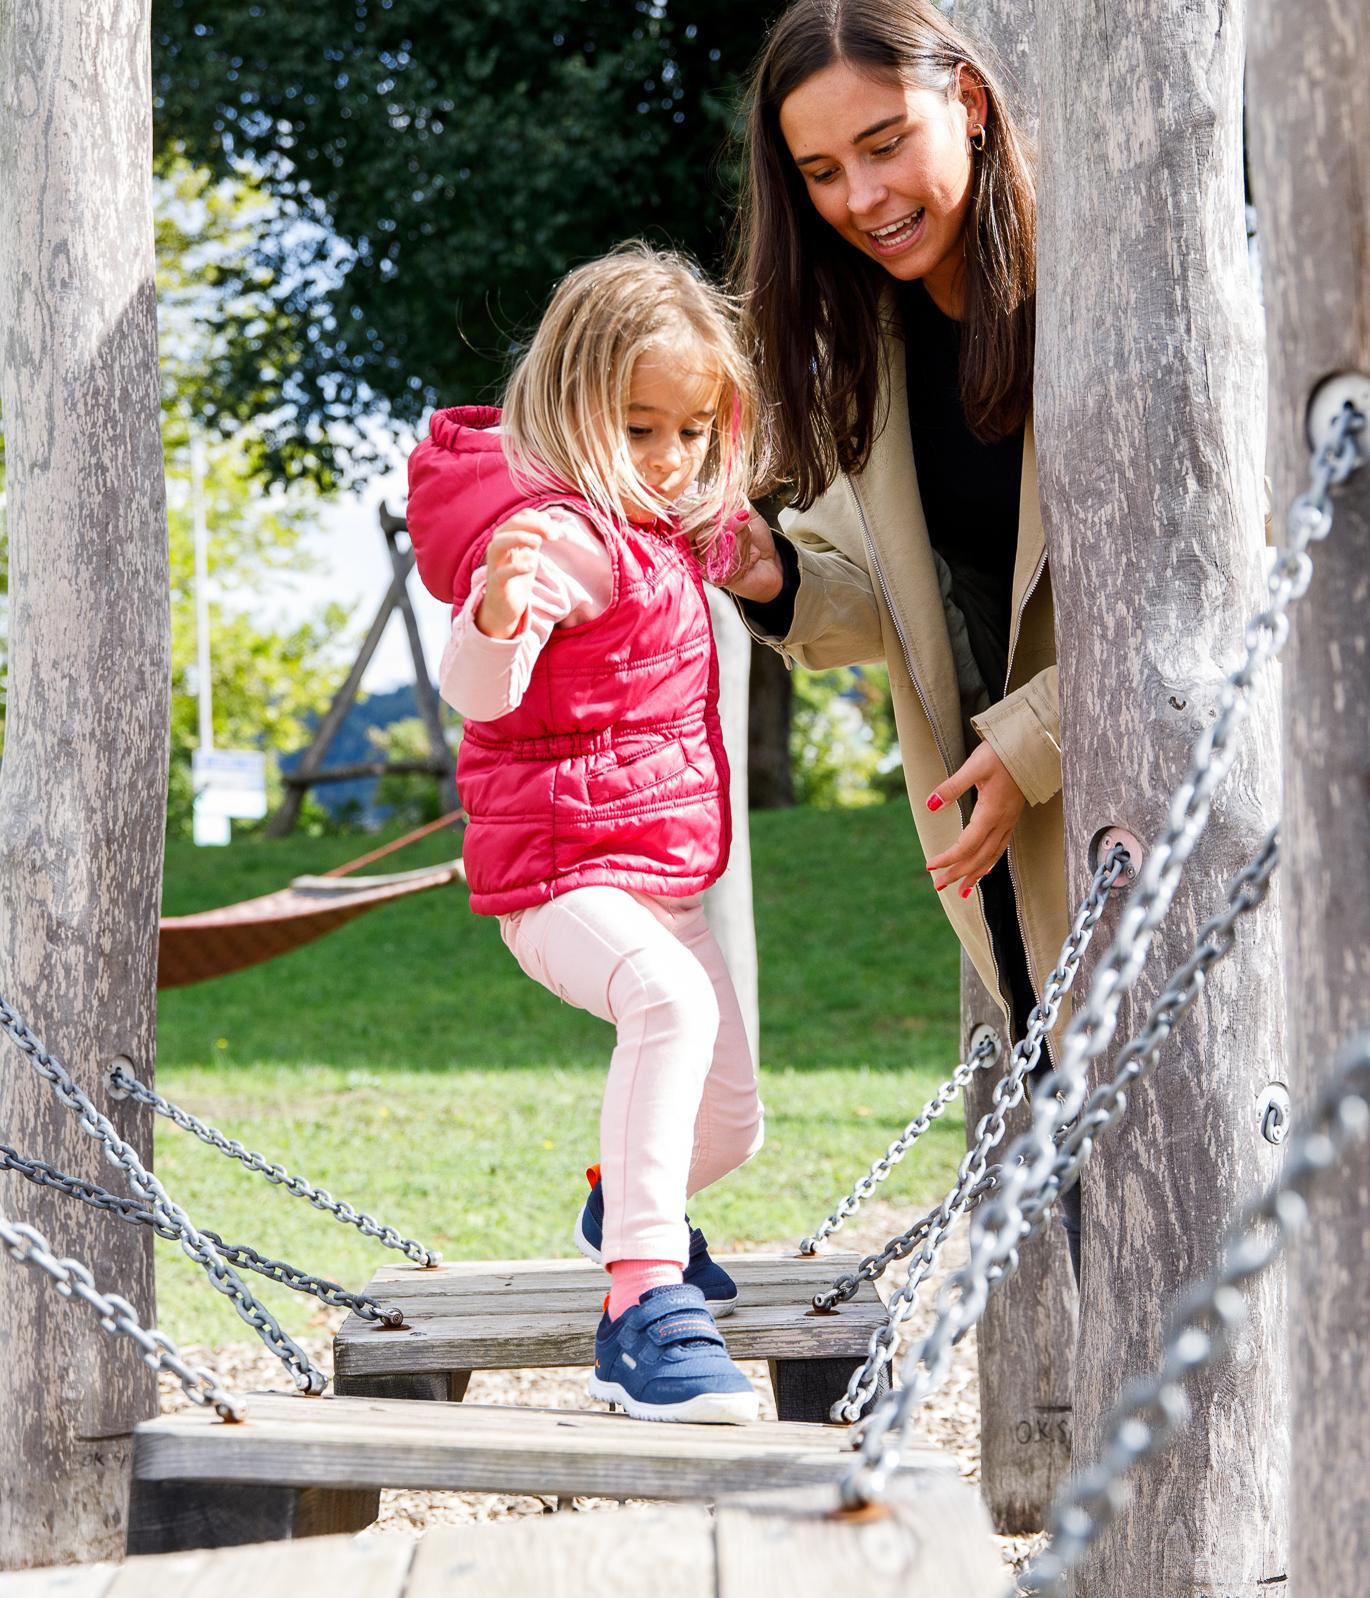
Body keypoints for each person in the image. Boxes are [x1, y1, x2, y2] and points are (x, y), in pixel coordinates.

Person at [725, 0, 1081, 1276]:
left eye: (884, 144)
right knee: (1096, 1213)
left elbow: (1227, 577)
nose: (861, 198)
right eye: (821, 170)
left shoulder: (1100, 281)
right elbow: (883, 604)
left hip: (1164, 817)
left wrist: (1032, 739)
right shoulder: (858, 345)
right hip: (1007, 855)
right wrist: (770, 574)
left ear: (968, 104)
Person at [405, 246, 765, 1422]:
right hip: (558, 873)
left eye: (692, 431)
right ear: (569, 406)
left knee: (732, 1122)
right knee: (668, 1001)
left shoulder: (665, 525)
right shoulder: (560, 534)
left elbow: (744, 554)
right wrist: (496, 610)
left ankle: (623, 1202)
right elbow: (478, 688)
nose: (669, 458)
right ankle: (640, 1305)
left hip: (657, 875)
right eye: (638, 428)